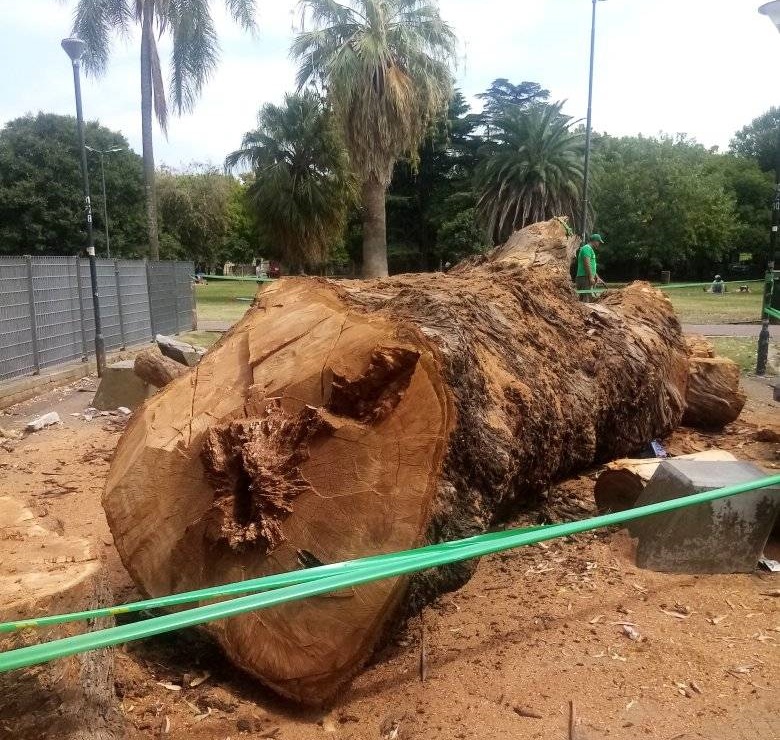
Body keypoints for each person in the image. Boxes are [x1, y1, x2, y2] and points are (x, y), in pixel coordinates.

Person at [576, 233, 606, 302]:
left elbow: (592, 266)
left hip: (586, 277)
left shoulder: (589, 249)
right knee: (586, 300)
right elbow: (587, 264)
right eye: (598, 242)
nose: (599, 244)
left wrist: (597, 277)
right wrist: (590, 277)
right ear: (595, 241)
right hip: (584, 277)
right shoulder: (586, 249)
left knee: (587, 298)